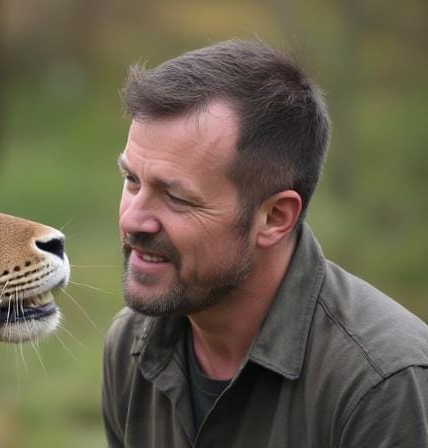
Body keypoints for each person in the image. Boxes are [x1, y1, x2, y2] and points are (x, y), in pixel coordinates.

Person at [101, 39, 428, 447]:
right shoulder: (132, 346)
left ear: (275, 218)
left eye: (176, 197)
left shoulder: (383, 386)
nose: (132, 219)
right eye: (132, 180)